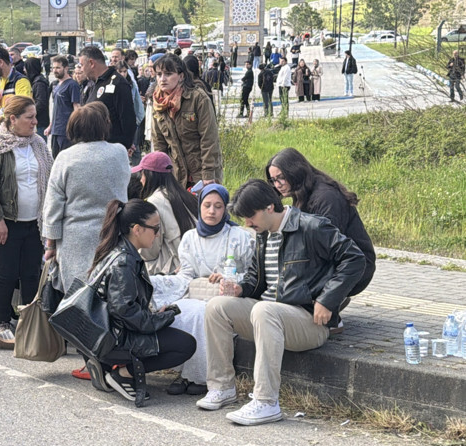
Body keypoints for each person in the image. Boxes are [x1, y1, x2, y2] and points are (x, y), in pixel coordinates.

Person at [197, 179, 365, 426]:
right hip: (270, 316)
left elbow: (354, 259)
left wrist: (328, 300)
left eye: (250, 216)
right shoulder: (263, 235)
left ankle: (266, 402)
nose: (247, 224)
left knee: (265, 310)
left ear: (269, 207)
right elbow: (257, 280)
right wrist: (239, 288)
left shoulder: (311, 226)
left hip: (308, 321)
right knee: (217, 306)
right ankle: (222, 387)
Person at [85, 199, 196, 403]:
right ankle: (123, 374)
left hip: (102, 332)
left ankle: (106, 366)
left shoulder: (119, 250)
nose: (158, 234)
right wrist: (161, 319)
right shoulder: (124, 261)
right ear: (136, 229)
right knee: (186, 344)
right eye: (155, 229)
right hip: (114, 339)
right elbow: (125, 311)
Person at [149, 184, 254, 395]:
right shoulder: (190, 238)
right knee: (178, 309)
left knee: (199, 313)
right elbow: (185, 276)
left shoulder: (239, 237)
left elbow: (252, 274)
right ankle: (185, 373)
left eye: (218, 206)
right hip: (196, 293)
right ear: (199, 207)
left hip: (225, 299)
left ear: (225, 209)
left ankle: (202, 376)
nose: (212, 211)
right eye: (207, 205)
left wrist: (229, 278)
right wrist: (157, 283)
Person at [0, 96, 53, 349]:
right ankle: (2, 324)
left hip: (34, 223)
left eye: (35, 116)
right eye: (29, 117)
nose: (35, 122)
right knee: (6, 275)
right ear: (13, 119)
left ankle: (27, 324)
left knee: (31, 275)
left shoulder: (38, 144)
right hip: (5, 223)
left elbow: (50, 179)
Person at [42, 102, 130, 296]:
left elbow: (53, 205)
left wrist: (50, 244)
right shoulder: (120, 152)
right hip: (112, 233)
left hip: (75, 238)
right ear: (104, 125)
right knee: (110, 293)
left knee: (78, 299)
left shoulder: (65, 158)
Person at [266, 148, 375, 297]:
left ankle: (328, 305)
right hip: (335, 261)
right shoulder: (302, 192)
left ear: (295, 171)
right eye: (273, 180)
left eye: (281, 177)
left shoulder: (326, 197)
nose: (278, 184)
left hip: (355, 265)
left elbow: (327, 247)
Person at [151, 54, 223, 188]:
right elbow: (159, 144)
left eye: (168, 73)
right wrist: (161, 176)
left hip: (201, 172)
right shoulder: (158, 103)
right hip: (176, 174)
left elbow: (209, 139)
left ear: (181, 76)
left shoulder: (198, 98)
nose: (162, 79)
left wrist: (208, 174)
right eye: (159, 74)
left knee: (204, 208)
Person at [132, 152, 198, 275]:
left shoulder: (154, 202)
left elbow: (149, 252)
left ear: (150, 175)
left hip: (173, 269)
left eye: (142, 174)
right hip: (193, 263)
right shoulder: (186, 196)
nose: (141, 180)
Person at [78, 46, 137, 151]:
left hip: (111, 150)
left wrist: (124, 147)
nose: (81, 69)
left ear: (91, 63)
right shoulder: (93, 84)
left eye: (82, 65)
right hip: (93, 149)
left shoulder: (118, 83)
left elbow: (128, 121)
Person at [44, 55, 80, 157]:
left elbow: (77, 108)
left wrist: (75, 129)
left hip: (66, 131)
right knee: (55, 159)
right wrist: (51, 126)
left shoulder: (72, 85)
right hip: (56, 130)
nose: (55, 70)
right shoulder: (56, 85)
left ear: (66, 68)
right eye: (53, 68)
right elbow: (56, 109)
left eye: (58, 68)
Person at [0, 46, 32, 122]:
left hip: (14, 131)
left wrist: (3, 112)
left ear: (1, 62)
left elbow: (23, 105)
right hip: (0, 131)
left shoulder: (21, 81)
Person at [25, 58, 50, 140]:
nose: (24, 70)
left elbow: (41, 103)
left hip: (40, 122)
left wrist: (28, 113)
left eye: (26, 67)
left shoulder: (39, 83)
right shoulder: (35, 81)